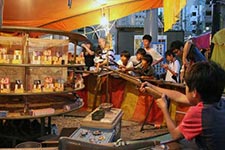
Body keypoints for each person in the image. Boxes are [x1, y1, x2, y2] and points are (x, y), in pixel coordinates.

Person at [140, 61, 225, 149]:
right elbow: (179, 96)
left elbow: (175, 135)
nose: (185, 89)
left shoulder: (198, 113)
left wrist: (164, 109)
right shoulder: (220, 102)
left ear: (194, 93)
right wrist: (152, 87)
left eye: (186, 86)